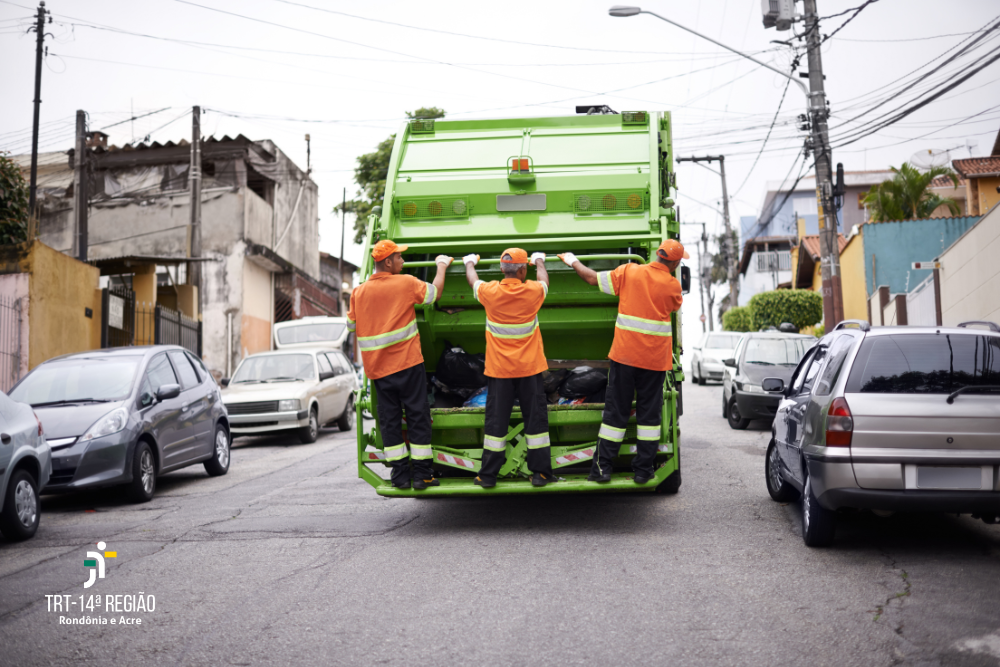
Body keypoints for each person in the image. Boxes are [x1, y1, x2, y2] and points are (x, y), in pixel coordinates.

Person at [558, 240, 686, 484]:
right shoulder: (673, 286)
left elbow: (592, 279)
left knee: (616, 412)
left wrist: (572, 260)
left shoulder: (629, 271)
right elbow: (673, 306)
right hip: (654, 361)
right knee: (649, 416)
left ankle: (602, 468)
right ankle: (643, 470)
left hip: (625, 356)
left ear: (658, 255)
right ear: (675, 262)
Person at [347, 239, 452, 490]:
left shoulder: (358, 292)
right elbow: (433, 294)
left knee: (390, 420)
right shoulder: (405, 283)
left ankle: (400, 476)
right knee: (417, 416)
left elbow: (351, 326)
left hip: (378, 370)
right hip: (407, 363)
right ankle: (423, 475)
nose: (403, 262)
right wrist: (441, 266)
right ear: (387, 261)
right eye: (399, 257)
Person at [464, 248, 557, 488]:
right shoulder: (533, 291)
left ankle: (487, 475)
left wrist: (469, 263)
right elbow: (544, 282)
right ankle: (540, 473)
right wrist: (540, 262)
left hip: (499, 370)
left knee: (496, 422)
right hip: (530, 368)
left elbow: (473, 281)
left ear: (501, 269)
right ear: (523, 269)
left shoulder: (490, 291)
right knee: (535, 421)